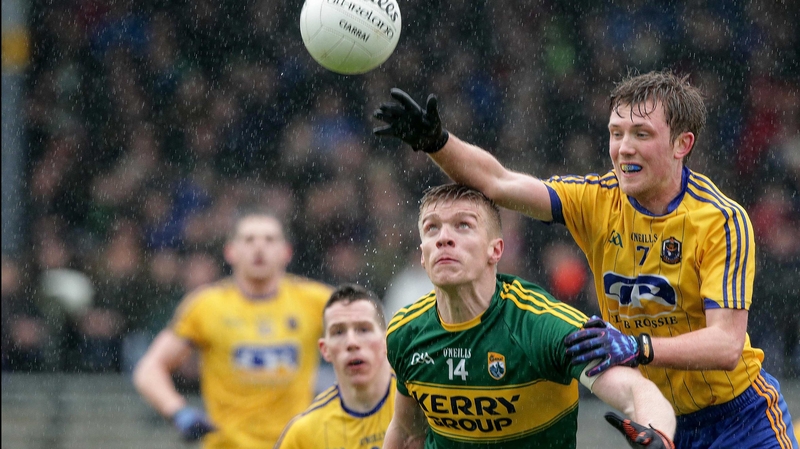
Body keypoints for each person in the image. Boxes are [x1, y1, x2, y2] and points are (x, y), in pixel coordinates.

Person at [372, 71, 798, 449]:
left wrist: (638, 346)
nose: (624, 149)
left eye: (641, 134)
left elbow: (726, 345)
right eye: (616, 133)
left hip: (739, 419)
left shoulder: (721, 220)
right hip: (656, 419)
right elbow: (498, 183)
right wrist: (437, 143)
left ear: (682, 144)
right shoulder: (596, 200)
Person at [383, 183, 676, 448]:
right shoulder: (405, 332)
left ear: (495, 250)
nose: (443, 238)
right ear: (422, 255)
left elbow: (636, 390)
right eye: (432, 228)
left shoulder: (541, 326)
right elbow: (407, 433)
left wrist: (657, 435)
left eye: (463, 225)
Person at [133, 210, 333, 448]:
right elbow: (149, 369)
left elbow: (367, 340)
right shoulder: (206, 306)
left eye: (269, 240)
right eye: (249, 239)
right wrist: (178, 411)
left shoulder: (316, 301)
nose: (259, 248)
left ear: (286, 252)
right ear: (231, 251)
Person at [274, 283, 395, 449]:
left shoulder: (420, 399)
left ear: (386, 340)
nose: (352, 342)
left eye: (363, 329)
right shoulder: (304, 433)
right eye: (339, 332)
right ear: (325, 350)